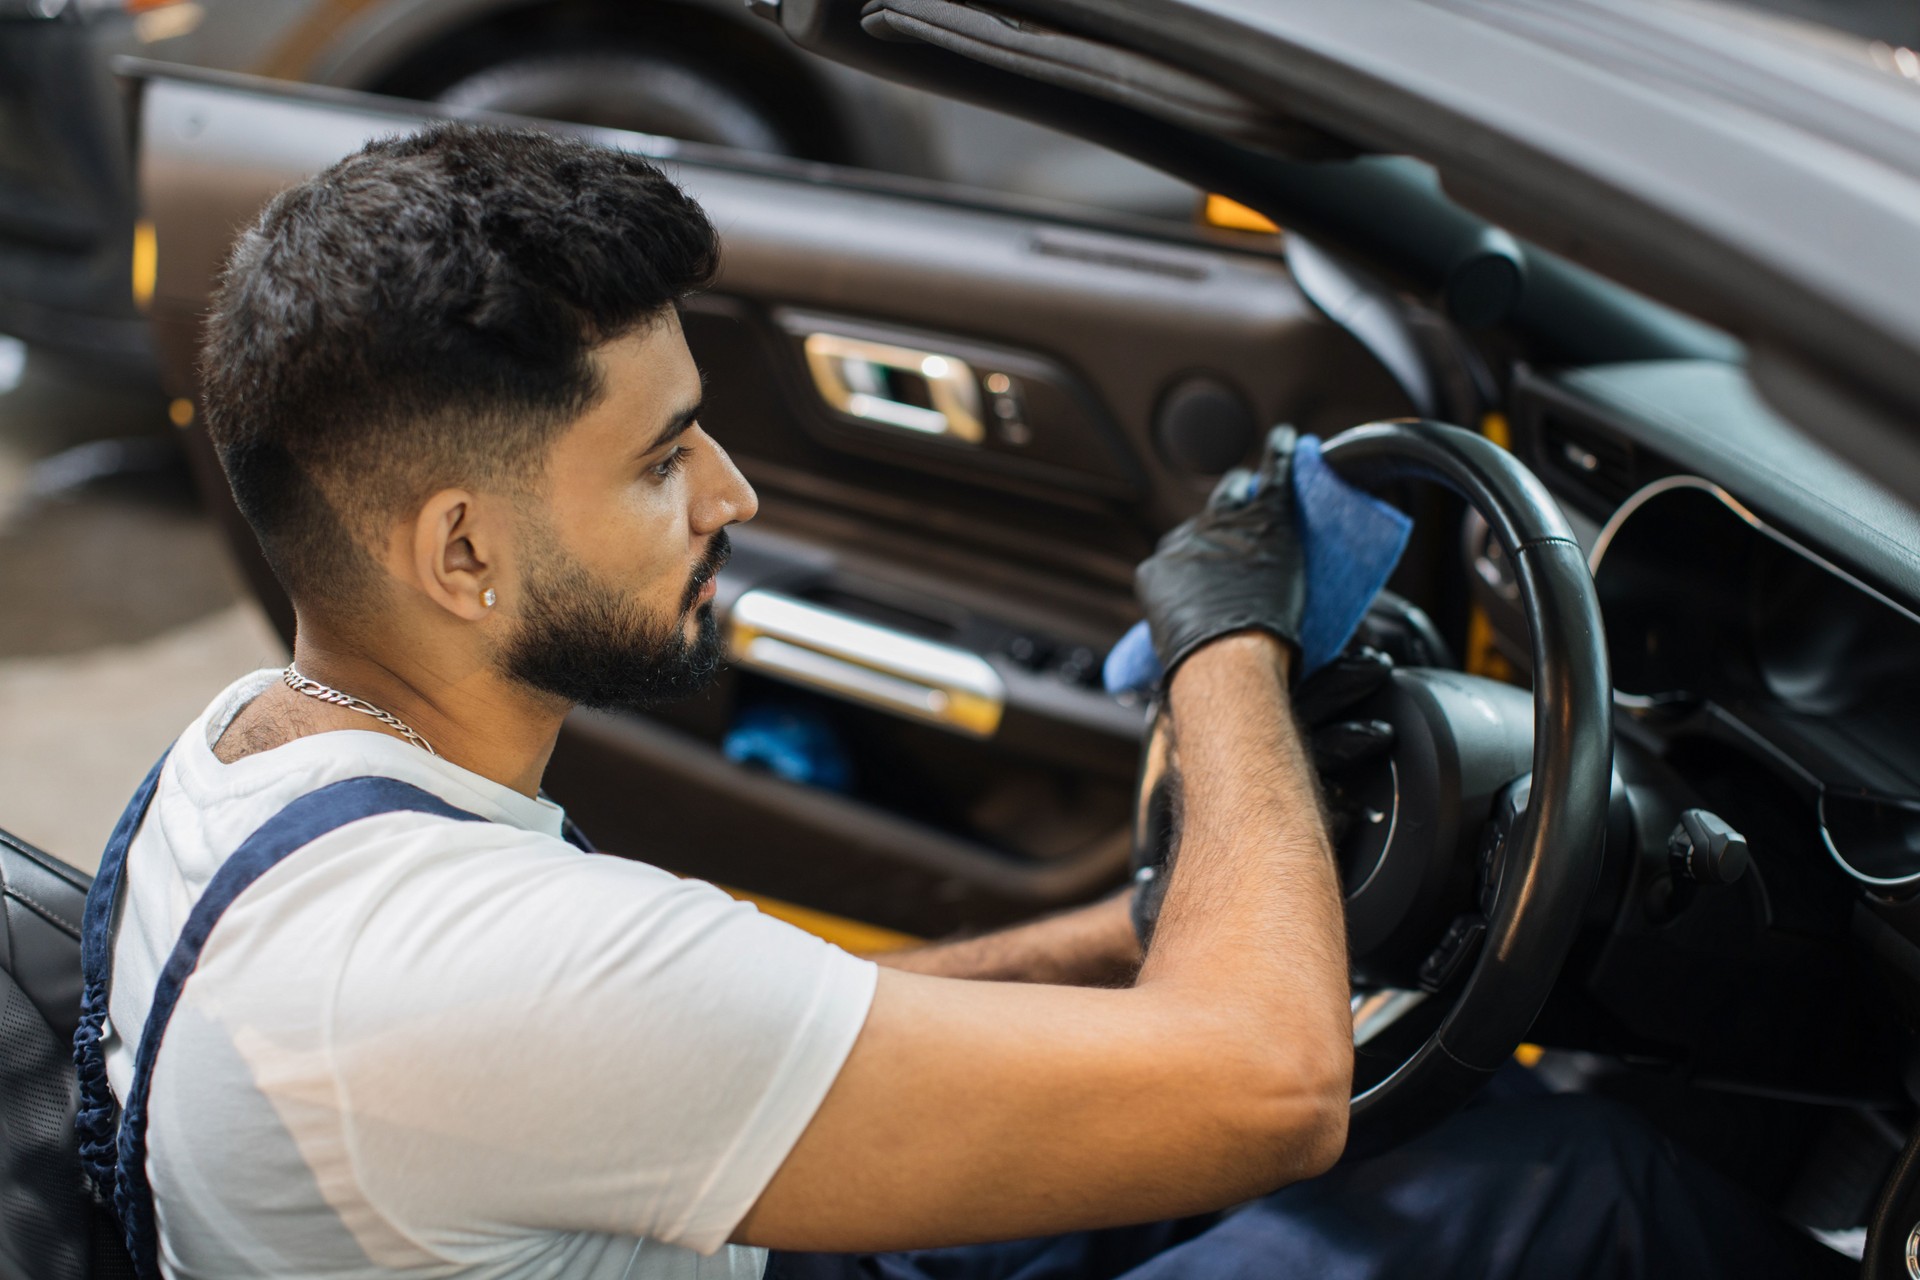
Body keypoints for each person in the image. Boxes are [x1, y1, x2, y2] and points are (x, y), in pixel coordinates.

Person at [71, 124, 1848, 1280]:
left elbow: (758, 1030)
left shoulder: (248, 758)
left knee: (1429, 1113)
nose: (732, 500)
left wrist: (1136, 931)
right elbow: (1274, 1083)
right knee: (1563, 1189)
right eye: (661, 459)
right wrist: (1227, 651)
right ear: (461, 555)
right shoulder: (480, 976)